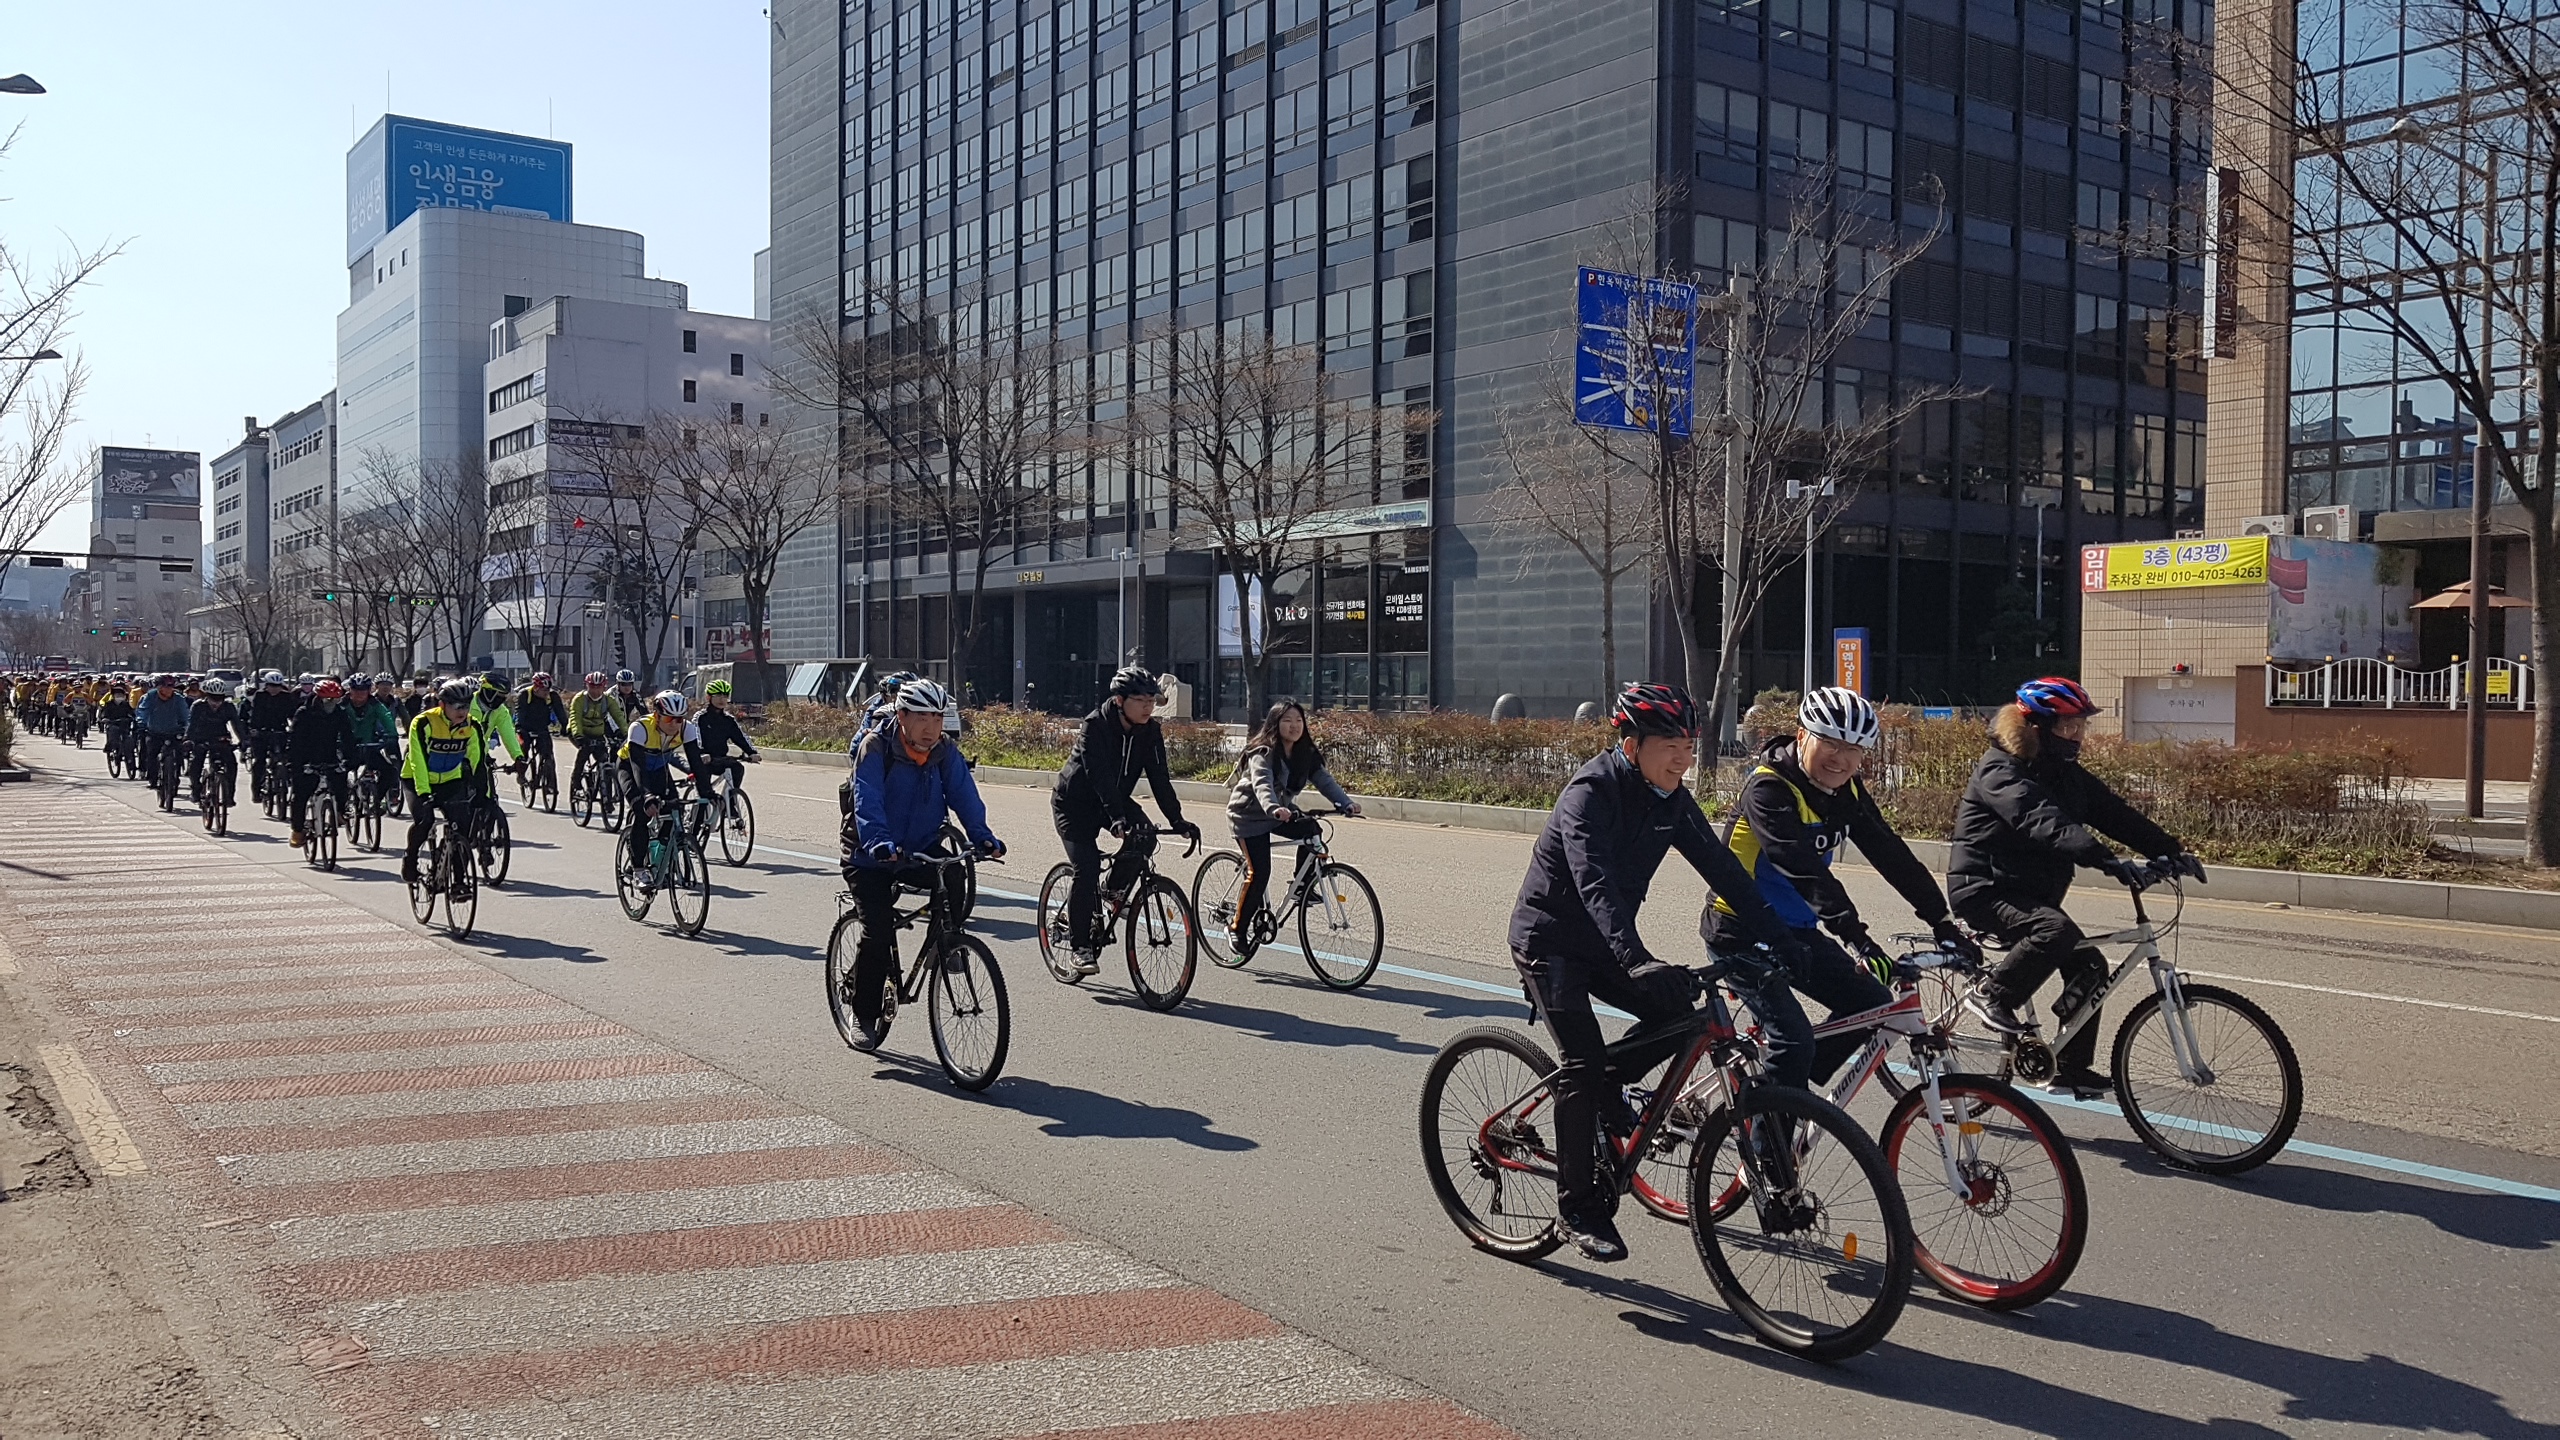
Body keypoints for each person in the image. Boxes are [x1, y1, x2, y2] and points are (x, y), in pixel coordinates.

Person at [1510, 682, 1802, 1264]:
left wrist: (1781, 936)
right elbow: (1594, 884)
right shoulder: (1590, 794)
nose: (1683, 759)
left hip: (1608, 944)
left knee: (1680, 1016)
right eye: (1670, 746)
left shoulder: (1671, 799)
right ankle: (1578, 1208)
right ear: (1631, 744)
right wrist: (1636, 958)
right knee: (1582, 1064)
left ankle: (1607, 1090)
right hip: (1550, 942)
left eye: (1688, 745)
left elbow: (1725, 871)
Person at [1706, 687, 1982, 1092]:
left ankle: (1786, 1093)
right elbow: (1802, 869)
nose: (1841, 759)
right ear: (1802, 736)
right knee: (1792, 1041)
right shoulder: (1768, 789)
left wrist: (1943, 923)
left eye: (1854, 749)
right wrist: (1858, 939)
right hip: (1740, 931)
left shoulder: (1845, 790)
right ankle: (1773, 1123)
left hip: (1795, 932)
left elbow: (1891, 855)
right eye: (1830, 743)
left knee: (1871, 1004)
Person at [1948, 676, 2202, 1098]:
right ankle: (1992, 995)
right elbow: (2040, 818)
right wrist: (2104, 859)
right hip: (1985, 889)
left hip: (2032, 894)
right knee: (2056, 931)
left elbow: (2114, 813)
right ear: (2036, 727)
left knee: (2090, 967)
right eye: (2068, 726)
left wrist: (2171, 851)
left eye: (2081, 726)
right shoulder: (1999, 769)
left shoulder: (2065, 773)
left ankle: (2069, 1068)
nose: (2077, 736)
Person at [839, 678, 1005, 1045]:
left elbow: (964, 795)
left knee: (954, 874)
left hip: (918, 848)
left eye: (938, 718)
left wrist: (982, 836)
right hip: (868, 855)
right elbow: (867, 800)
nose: (932, 727)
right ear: (901, 716)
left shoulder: (943, 751)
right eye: (922, 717)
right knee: (878, 930)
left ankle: (948, 943)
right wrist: (879, 843)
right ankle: (862, 1014)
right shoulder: (875, 747)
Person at [1051, 666, 1199, 975]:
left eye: (1152, 700)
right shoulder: (1095, 726)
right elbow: (1098, 777)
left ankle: (1113, 889)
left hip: (1114, 800)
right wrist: (1116, 817)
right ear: (1120, 700)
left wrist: (1177, 819)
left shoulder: (1150, 731)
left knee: (1146, 837)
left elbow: (1160, 778)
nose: (1148, 707)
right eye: (1141, 700)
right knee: (1087, 868)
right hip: (1075, 804)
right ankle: (1080, 947)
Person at [1222, 698, 1361, 951]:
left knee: (1312, 830)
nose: (1294, 725)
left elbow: (1325, 781)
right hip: (1249, 816)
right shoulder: (1263, 752)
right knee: (1260, 873)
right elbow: (1262, 784)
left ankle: (1302, 884)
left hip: (1280, 812)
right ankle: (1237, 929)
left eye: (1298, 720)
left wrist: (1346, 803)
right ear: (1275, 724)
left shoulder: (1304, 753)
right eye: (1287, 720)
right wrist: (1273, 808)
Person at [401, 680, 488, 884]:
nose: (462, 711)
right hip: (417, 780)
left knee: (463, 828)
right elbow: (418, 761)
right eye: (457, 706)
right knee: (425, 821)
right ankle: (410, 858)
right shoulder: (423, 722)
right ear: (442, 705)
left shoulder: (472, 725)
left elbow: (477, 760)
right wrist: (424, 793)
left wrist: (482, 792)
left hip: (450, 779)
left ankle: (459, 882)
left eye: (466, 706)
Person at [619, 689, 705, 871]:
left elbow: (696, 763)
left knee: (675, 810)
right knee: (643, 811)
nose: (674, 724)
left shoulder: (687, 728)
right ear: (657, 716)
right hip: (630, 767)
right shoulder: (640, 728)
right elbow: (638, 767)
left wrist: (708, 792)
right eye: (669, 719)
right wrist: (647, 795)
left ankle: (660, 853)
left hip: (658, 768)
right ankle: (638, 869)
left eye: (679, 719)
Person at [286, 679, 355, 849]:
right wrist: (295, 764)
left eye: (335, 700)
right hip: (306, 757)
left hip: (329, 755)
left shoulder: (339, 713)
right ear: (318, 698)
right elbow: (294, 740)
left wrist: (350, 759)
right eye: (327, 700)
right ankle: (297, 830)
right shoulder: (304, 713)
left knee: (341, 782)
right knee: (300, 794)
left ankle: (340, 812)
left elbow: (347, 737)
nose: (331, 704)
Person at [467, 673, 525, 860]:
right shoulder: (466, 704)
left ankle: (485, 842)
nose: (500, 701)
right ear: (486, 692)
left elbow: (508, 733)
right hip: (459, 756)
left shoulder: (500, 711)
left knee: (490, 799)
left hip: (481, 756)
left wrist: (518, 757)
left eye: (503, 697)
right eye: (498, 696)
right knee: (463, 799)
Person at [183, 677, 250, 810]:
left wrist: (243, 740)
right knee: (196, 761)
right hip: (201, 737)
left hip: (221, 737)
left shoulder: (229, 707)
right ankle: (196, 789)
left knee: (231, 764)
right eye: (213, 698)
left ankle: (229, 795)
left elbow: (237, 725)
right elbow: (192, 725)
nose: (216, 702)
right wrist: (188, 740)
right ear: (206, 696)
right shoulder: (198, 706)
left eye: (220, 698)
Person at [692, 679, 761, 800]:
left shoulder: (728, 720)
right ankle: (701, 810)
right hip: (704, 761)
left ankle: (730, 801)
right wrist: (701, 753)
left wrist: (752, 752)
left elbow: (740, 737)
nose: (722, 699)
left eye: (725, 696)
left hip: (721, 760)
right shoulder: (700, 717)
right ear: (709, 697)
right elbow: (695, 737)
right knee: (705, 795)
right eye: (718, 695)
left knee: (738, 768)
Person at [566, 670, 629, 801]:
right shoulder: (579, 699)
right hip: (579, 733)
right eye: (592, 687)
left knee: (604, 760)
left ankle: (606, 795)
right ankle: (576, 782)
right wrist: (578, 735)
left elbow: (619, 717)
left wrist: (626, 734)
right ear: (587, 686)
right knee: (584, 752)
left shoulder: (608, 700)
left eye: (599, 687)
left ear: (604, 687)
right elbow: (575, 718)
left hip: (597, 734)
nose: (595, 691)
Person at [342, 674, 402, 803]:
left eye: (363, 690)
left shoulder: (375, 705)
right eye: (356, 690)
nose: (359, 694)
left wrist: (392, 736)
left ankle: (376, 801)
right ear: (350, 690)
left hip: (369, 748)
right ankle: (342, 807)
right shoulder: (342, 705)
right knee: (338, 776)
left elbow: (387, 718)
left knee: (390, 772)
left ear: (369, 690)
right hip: (346, 748)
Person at [245, 670, 299, 805]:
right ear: (266, 685)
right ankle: (256, 790)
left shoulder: (286, 697)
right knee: (260, 760)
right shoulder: (260, 696)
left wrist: (294, 728)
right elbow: (255, 715)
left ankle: (287, 783)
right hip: (261, 732)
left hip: (280, 731)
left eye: (278, 686)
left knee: (287, 758)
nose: (275, 689)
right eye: (272, 686)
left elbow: (292, 715)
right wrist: (254, 730)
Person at [513, 671, 568, 791]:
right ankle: (521, 774)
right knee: (523, 748)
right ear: (536, 688)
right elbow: (520, 713)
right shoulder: (524, 695)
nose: (546, 693)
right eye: (544, 690)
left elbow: (560, 712)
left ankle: (550, 784)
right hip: (525, 727)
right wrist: (519, 727)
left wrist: (565, 727)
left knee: (548, 754)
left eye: (548, 690)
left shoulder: (552, 696)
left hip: (542, 727)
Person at [136, 674, 189, 791]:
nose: (169, 689)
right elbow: (143, 711)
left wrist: (185, 727)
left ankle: (175, 777)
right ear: (159, 687)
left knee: (178, 755)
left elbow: (185, 715)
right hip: (154, 732)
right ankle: (153, 779)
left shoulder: (179, 699)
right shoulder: (150, 697)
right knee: (151, 754)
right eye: (166, 686)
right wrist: (141, 724)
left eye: (171, 686)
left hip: (173, 732)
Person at [97, 680, 136, 771]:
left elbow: (132, 713)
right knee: (113, 733)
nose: (119, 696)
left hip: (124, 725)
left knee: (129, 740)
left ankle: (130, 760)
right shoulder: (108, 704)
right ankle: (111, 749)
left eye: (121, 695)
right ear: (113, 696)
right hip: (113, 724)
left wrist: (133, 718)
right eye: (117, 695)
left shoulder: (126, 705)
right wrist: (105, 719)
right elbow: (103, 714)